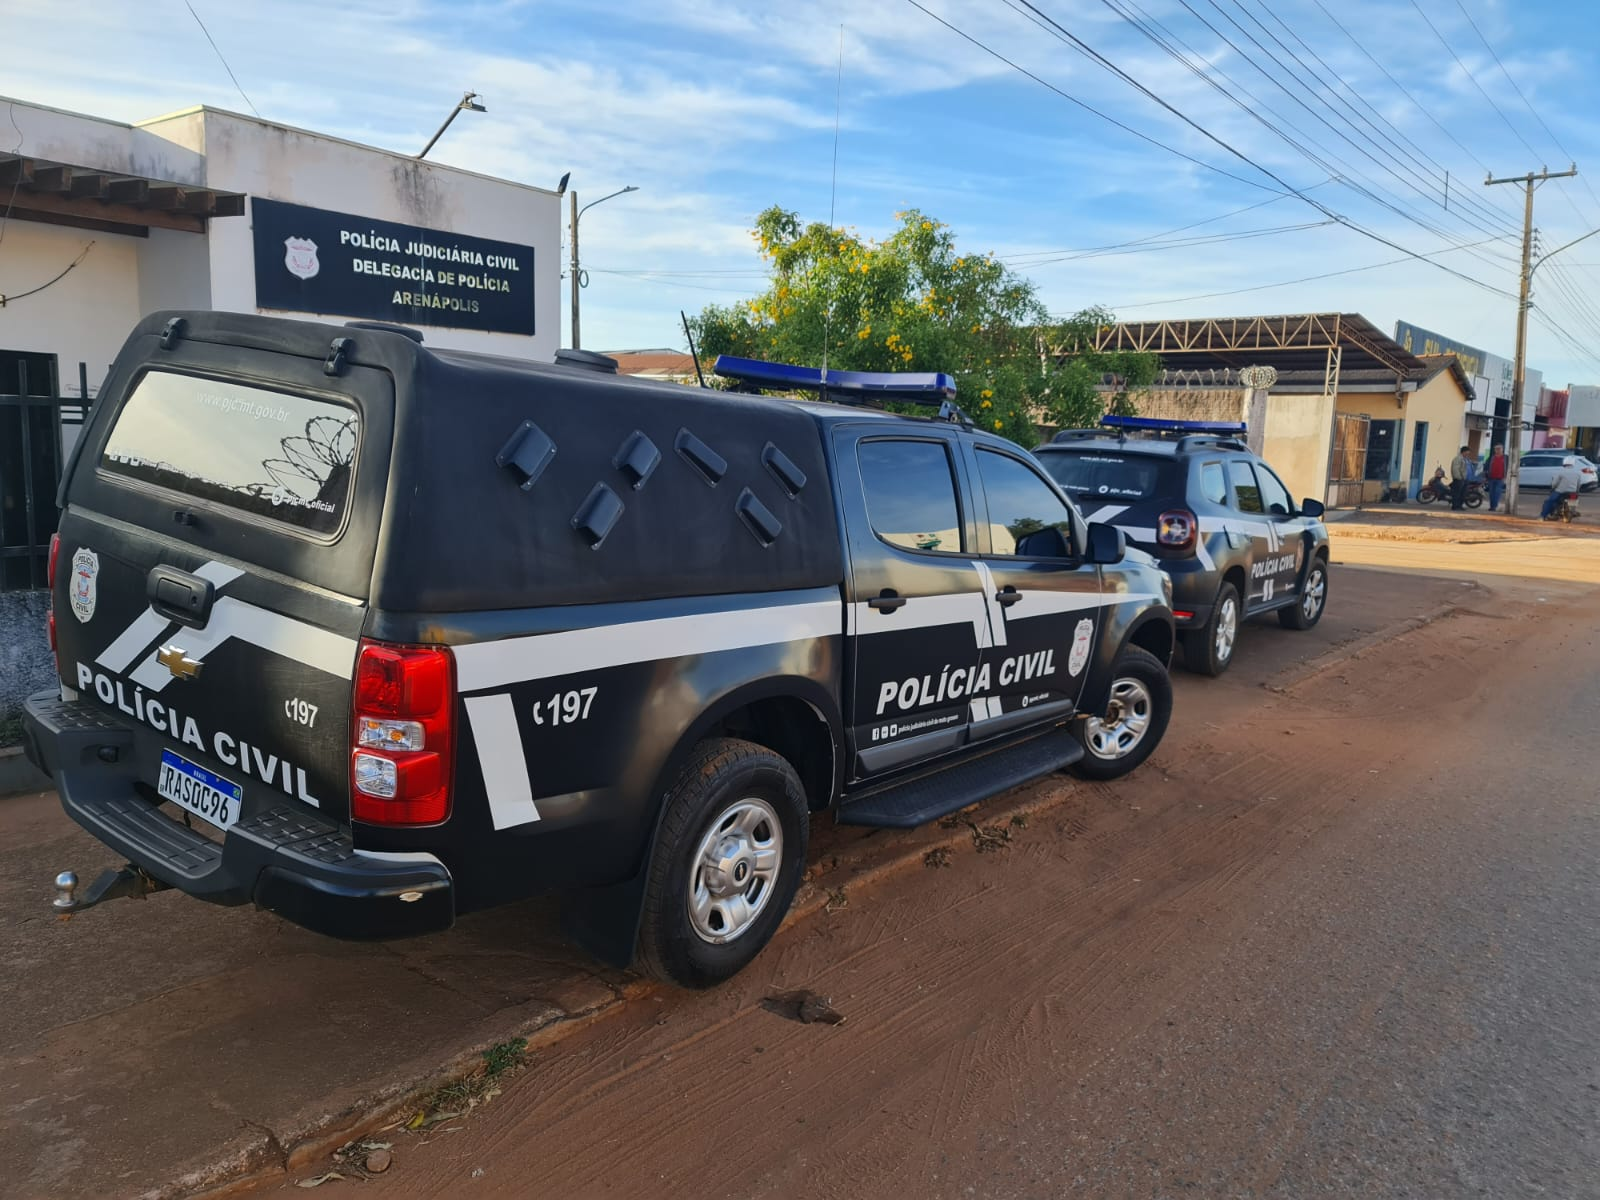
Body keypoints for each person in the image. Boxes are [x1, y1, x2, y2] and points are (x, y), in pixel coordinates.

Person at [1485, 444, 1508, 512]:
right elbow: (1486, 466)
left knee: (1497, 492)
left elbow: (1508, 467)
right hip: (1491, 478)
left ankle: (1494, 506)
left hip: (1500, 478)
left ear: (1502, 449)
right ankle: (1492, 506)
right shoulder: (1491, 458)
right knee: (1491, 493)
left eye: (1499, 448)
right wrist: (1485, 476)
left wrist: (1506, 477)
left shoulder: (1506, 458)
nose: (1497, 450)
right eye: (1496, 449)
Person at [1449, 444, 1470, 510]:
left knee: (1462, 493)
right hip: (1459, 479)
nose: (1468, 454)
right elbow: (1455, 469)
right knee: (1457, 493)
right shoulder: (1458, 458)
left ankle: (1459, 505)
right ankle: (1455, 506)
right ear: (1463, 452)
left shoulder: (1464, 459)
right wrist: (1458, 478)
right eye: (1467, 452)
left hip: (1463, 479)